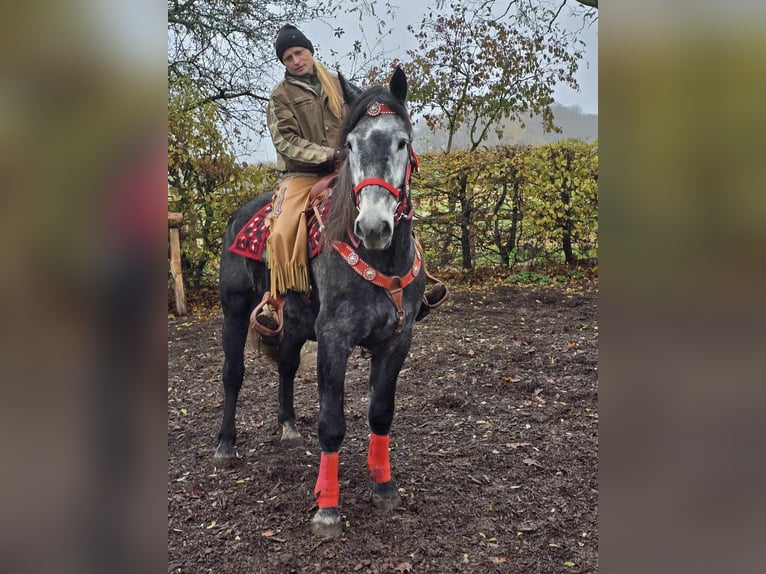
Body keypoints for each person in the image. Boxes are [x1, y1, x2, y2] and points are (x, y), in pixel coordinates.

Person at [252, 24, 446, 339]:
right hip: (301, 172)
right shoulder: (280, 96)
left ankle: (416, 286)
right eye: (288, 57)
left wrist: (361, 150)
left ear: (310, 51)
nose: (296, 60)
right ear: (284, 63)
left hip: (347, 164)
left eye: (299, 52)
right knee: (284, 225)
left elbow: (366, 118)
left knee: (394, 203)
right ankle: (275, 301)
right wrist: (329, 154)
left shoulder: (338, 85)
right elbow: (285, 141)